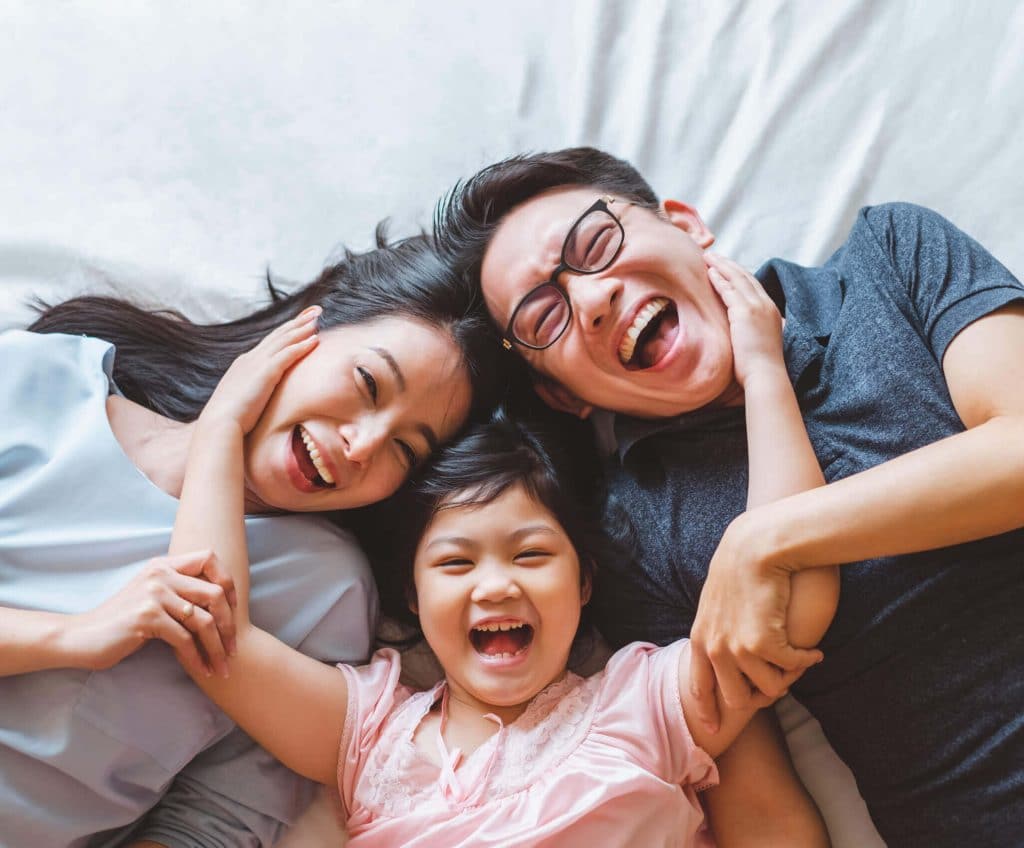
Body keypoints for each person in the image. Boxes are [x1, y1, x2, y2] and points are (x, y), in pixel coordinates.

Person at [433, 146, 1024, 847]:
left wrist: (764, 541)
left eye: (595, 244)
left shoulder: (890, 254)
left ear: (686, 224)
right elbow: (764, 809)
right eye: (543, 317)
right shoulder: (635, 538)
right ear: (562, 395)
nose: (592, 301)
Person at [161, 259, 834, 847]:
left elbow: (789, 592)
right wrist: (221, 428)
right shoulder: (370, 735)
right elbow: (213, 632)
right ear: (412, 599)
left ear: (584, 583)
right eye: (456, 564)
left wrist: (764, 374)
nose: (495, 587)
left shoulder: (646, 704)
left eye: (531, 556)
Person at [0, 234, 500, 847]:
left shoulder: (324, 589)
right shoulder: (38, 379)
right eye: (369, 383)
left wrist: (222, 434)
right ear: (302, 331)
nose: (363, 445)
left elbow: (216, 825)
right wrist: (71, 637)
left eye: (405, 448)